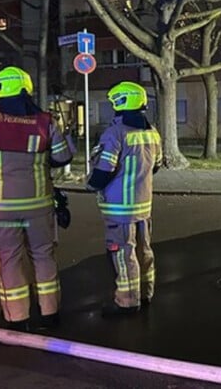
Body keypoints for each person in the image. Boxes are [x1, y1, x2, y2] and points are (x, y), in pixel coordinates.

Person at [0, 66, 74, 331]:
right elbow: (63, 157)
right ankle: (50, 314)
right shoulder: (45, 121)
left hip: (1, 207)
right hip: (39, 206)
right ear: (26, 88)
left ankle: (17, 320)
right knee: (43, 257)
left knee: (8, 259)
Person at [86, 81, 162, 318]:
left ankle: (127, 301)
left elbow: (104, 170)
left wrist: (90, 184)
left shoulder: (116, 133)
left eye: (114, 103)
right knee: (143, 250)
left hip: (120, 209)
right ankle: (146, 293)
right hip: (143, 205)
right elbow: (156, 166)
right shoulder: (152, 132)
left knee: (122, 253)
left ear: (121, 102)